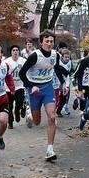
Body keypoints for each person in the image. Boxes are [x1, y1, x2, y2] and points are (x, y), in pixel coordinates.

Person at [19, 29, 68, 161]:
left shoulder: (55, 55)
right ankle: (30, 115)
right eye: (47, 41)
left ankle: (50, 149)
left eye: (51, 41)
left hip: (47, 87)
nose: (50, 43)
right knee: (37, 122)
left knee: (52, 117)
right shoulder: (34, 56)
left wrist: (63, 83)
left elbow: (57, 68)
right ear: (41, 43)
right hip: (34, 89)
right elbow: (21, 74)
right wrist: (31, 86)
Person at [4, 45, 26, 129]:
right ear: (11, 52)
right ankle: (10, 122)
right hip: (8, 88)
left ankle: (17, 111)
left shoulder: (23, 61)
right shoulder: (6, 62)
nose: (15, 52)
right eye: (13, 50)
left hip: (20, 86)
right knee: (9, 106)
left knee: (19, 103)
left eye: (17, 50)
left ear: (19, 52)